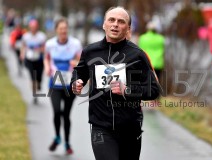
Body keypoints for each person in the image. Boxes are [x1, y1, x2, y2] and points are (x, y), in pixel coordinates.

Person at [71, 6, 160, 160]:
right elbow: (80, 72)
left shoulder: (138, 55)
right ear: (104, 24)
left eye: (121, 21)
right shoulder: (90, 52)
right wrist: (76, 82)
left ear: (128, 28)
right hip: (101, 126)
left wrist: (127, 90)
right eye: (111, 20)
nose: (115, 24)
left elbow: (154, 90)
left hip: (130, 128)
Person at [44, 17, 82, 155]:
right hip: (54, 84)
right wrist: (47, 67)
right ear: (56, 30)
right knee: (56, 112)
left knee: (66, 115)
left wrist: (76, 63)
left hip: (69, 85)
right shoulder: (50, 44)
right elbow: (46, 58)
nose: (63, 31)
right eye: (60, 29)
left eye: (65, 29)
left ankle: (67, 143)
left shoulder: (75, 44)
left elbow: (81, 61)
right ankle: (57, 137)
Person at [20, 19, 46, 104]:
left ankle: (38, 84)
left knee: (38, 78)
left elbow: (44, 48)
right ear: (29, 27)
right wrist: (22, 54)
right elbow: (23, 46)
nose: (33, 29)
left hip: (39, 60)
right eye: (31, 27)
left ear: (37, 27)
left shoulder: (41, 36)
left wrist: (38, 49)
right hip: (29, 60)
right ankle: (34, 96)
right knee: (32, 77)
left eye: (34, 27)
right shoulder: (26, 36)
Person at [138, 21, 165, 94]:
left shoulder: (142, 38)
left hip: (147, 62)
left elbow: (140, 50)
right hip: (158, 62)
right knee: (157, 81)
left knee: (146, 80)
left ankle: (147, 96)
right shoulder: (161, 38)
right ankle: (156, 98)